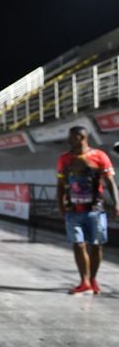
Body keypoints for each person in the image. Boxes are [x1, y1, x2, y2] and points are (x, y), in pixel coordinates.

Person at [56, 126, 119, 295]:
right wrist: (61, 205)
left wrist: (117, 203)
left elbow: (110, 182)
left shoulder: (100, 156)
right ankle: (84, 281)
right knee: (78, 244)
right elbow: (61, 185)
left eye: (71, 137)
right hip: (73, 210)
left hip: (95, 210)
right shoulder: (64, 159)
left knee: (96, 245)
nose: (68, 140)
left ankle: (93, 279)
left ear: (80, 137)